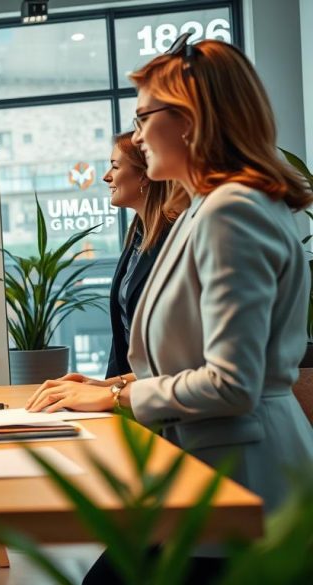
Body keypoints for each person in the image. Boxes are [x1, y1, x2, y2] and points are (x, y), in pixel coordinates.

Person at [26, 35, 313, 584]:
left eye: (141, 119)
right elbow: (201, 351)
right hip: (210, 475)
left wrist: (119, 394)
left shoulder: (232, 210)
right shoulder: (204, 208)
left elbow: (232, 382)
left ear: (188, 120)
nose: (135, 137)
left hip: (243, 482)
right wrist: (116, 381)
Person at [101, 131, 184, 378]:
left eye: (115, 167)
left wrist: (113, 392)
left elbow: (174, 351)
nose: (107, 177)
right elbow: (124, 335)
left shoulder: (176, 238)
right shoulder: (137, 234)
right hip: (136, 391)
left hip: (164, 395)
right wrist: (101, 386)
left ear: (144, 175)